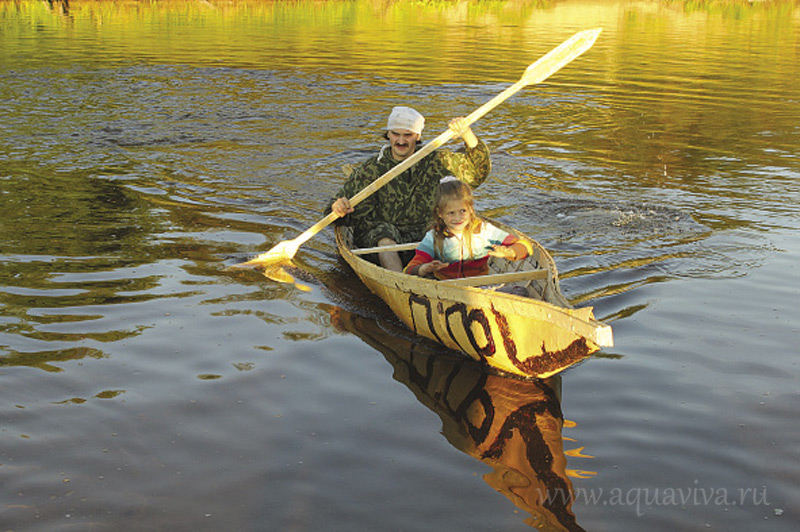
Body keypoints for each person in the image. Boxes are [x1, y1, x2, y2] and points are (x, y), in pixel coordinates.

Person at [329, 106, 491, 272]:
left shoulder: (434, 161)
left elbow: (476, 173)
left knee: (441, 227)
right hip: (383, 241)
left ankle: (450, 276)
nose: (400, 141)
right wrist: (339, 206)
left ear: (418, 136)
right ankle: (400, 282)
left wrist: (467, 135)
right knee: (385, 237)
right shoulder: (372, 169)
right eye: (395, 134)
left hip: (422, 235)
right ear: (388, 134)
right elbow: (336, 211)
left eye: (407, 135)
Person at [404, 177, 531, 280]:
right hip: (444, 287)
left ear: (471, 209)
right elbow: (410, 269)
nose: (458, 218)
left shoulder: (484, 231)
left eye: (463, 211)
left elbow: (526, 246)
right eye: (451, 213)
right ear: (440, 214)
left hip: (480, 285)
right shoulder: (434, 237)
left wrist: (510, 252)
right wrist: (424, 268)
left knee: (520, 292)